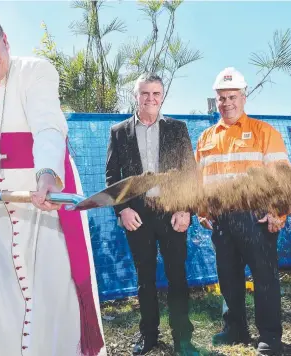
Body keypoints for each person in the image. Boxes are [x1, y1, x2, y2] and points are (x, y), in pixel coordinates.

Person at [0, 11, 106, 356]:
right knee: (6, 305)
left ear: (6, 41)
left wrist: (47, 174)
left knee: (54, 301)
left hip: (46, 209)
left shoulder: (36, 71)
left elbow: (48, 128)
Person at [195, 67, 290, 356]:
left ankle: (270, 337)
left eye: (232, 96)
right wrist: (202, 211)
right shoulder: (205, 139)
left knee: (264, 278)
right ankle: (235, 328)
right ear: (216, 100)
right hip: (221, 219)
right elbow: (198, 182)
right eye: (222, 98)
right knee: (228, 277)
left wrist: (278, 213)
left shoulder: (264, 133)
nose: (227, 103)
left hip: (256, 218)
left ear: (244, 97)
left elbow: (283, 177)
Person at [105, 73, 197, 356]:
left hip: (172, 213)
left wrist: (186, 209)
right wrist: (122, 209)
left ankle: (183, 338)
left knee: (177, 277)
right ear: (136, 95)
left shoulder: (177, 129)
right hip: (138, 216)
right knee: (145, 278)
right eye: (145, 93)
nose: (151, 99)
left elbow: (190, 173)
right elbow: (112, 177)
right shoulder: (119, 132)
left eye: (156, 94)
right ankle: (149, 336)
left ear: (162, 97)